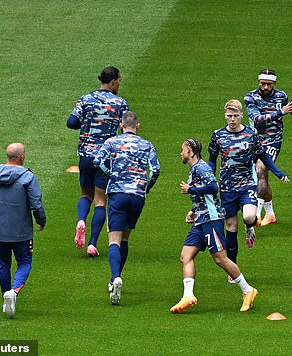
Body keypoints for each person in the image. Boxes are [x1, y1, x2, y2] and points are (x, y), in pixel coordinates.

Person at [171, 138, 258, 313]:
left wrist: (191, 190)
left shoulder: (202, 168)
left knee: (220, 259)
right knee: (185, 256)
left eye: (182, 149)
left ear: (190, 150)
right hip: (201, 220)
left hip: (211, 220)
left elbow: (213, 187)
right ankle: (188, 295)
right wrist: (193, 210)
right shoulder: (195, 169)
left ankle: (248, 291)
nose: (180, 153)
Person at [208, 99, 289, 274]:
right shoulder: (217, 135)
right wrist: (209, 179)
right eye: (229, 116)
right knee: (230, 226)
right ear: (225, 115)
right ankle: (233, 267)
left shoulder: (251, 135)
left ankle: (250, 226)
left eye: (235, 116)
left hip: (247, 185)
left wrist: (278, 172)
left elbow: (263, 156)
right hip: (227, 187)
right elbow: (212, 160)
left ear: (241, 116)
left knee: (249, 216)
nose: (232, 119)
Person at [93, 112, 160, 305]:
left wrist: (110, 173)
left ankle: (115, 278)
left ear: (122, 125)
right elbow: (155, 170)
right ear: (137, 125)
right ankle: (117, 277)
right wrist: (145, 187)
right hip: (137, 196)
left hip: (118, 194)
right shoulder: (147, 144)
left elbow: (97, 162)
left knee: (114, 239)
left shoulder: (112, 142)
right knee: (125, 238)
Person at [67, 66, 129, 256]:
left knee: (86, 194)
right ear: (112, 82)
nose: (119, 84)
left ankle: (81, 220)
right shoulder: (120, 103)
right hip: (106, 157)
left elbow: (71, 122)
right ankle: (93, 244)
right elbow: (125, 128)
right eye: (118, 81)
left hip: (86, 155)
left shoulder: (86, 99)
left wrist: (87, 121)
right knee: (101, 201)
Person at [0, 143, 47, 318]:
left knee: (4, 262)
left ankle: (6, 297)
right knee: (24, 263)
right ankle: (14, 292)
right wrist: (41, 221)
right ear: (22, 157)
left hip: (0, 230)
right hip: (22, 231)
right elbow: (36, 204)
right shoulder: (27, 177)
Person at [244, 68, 292, 227]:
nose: (265, 87)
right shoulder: (250, 97)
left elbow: (290, 107)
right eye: (263, 84)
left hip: (273, 141)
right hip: (254, 141)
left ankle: (255, 216)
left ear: (274, 83)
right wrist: (281, 112)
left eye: (269, 84)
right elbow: (257, 119)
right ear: (258, 82)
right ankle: (271, 214)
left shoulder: (281, 95)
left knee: (260, 170)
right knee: (263, 177)